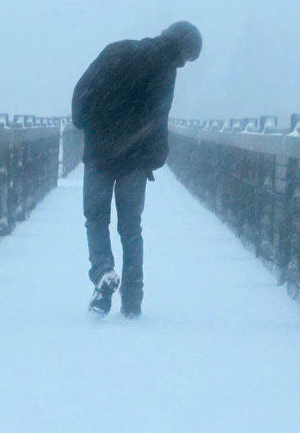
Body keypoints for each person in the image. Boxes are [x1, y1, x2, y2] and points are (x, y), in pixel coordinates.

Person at [69, 20, 202, 318]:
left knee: (96, 219)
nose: (183, 65)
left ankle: (103, 271)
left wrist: (85, 123)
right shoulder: (164, 69)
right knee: (130, 228)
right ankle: (132, 300)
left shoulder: (117, 50)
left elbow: (82, 91)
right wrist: (154, 157)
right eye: (187, 59)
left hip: (99, 153)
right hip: (135, 160)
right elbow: (159, 117)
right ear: (183, 49)